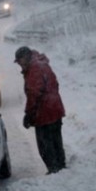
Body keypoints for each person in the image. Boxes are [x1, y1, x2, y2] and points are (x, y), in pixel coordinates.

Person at [14, 46, 66, 174]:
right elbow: (55, 84)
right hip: (55, 107)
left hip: (44, 113)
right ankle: (61, 167)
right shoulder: (42, 64)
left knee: (45, 144)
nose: (19, 64)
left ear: (25, 57)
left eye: (19, 61)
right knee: (56, 140)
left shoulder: (34, 69)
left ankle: (54, 169)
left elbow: (34, 93)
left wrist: (29, 114)